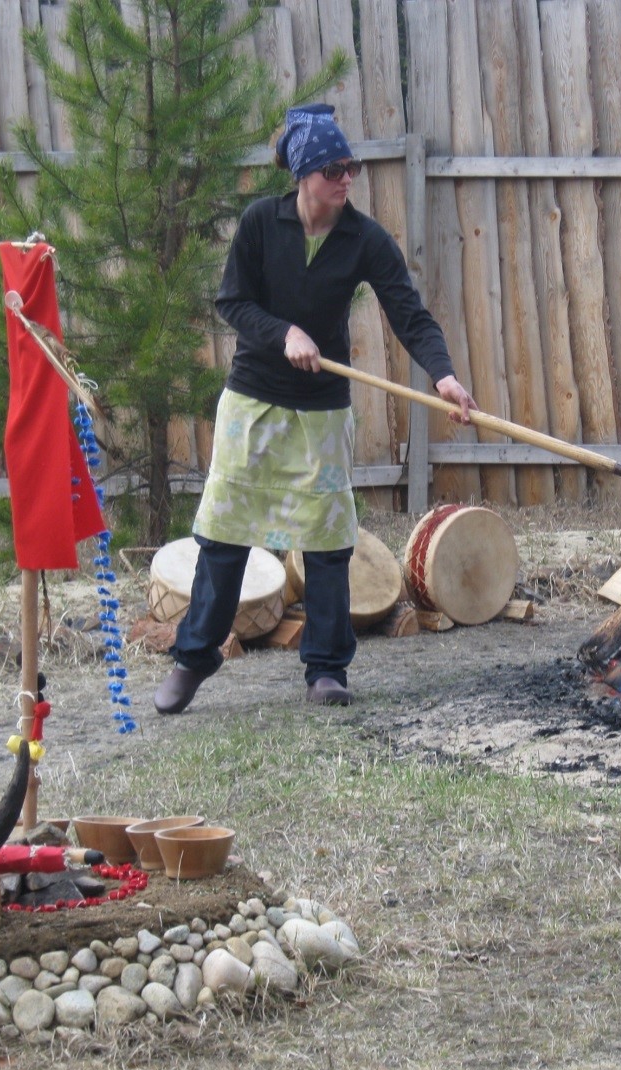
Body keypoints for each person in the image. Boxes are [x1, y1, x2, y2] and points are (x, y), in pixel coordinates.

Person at [153, 103, 477, 714]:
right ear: (303, 174)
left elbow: (408, 312)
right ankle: (193, 661)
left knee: (327, 543)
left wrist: (445, 377)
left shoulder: (364, 238)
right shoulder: (259, 224)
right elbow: (233, 302)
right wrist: (284, 334)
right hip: (251, 403)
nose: (346, 177)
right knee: (223, 538)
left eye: (350, 166)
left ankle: (326, 669)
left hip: (321, 413)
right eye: (334, 168)